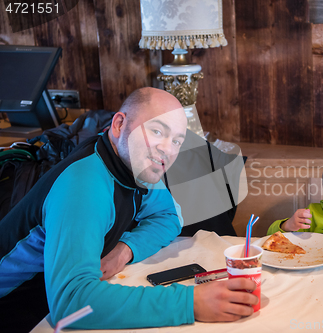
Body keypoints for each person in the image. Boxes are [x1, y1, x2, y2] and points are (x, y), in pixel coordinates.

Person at [0, 87, 257, 332]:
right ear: (119, 124)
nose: (168, 148)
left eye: (177, 140)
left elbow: (169, 217)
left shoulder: (133, 168)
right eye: (157, 131)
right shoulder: (84, 185)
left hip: (50, 298)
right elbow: (71, 303)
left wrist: (124, 251)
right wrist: (191, 302)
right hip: (17, 310)